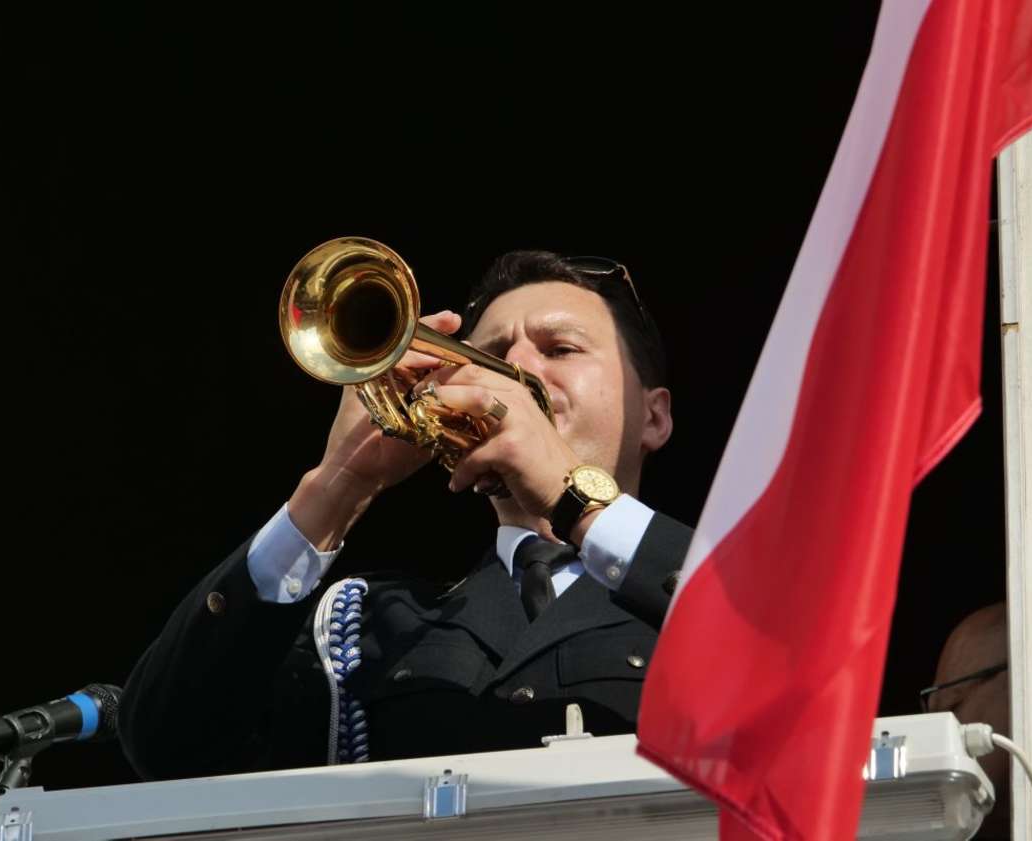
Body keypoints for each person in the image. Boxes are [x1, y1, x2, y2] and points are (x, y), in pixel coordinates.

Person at [118, 250, 692, 780]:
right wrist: (337, 483)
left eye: (560, 349)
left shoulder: (714, 586)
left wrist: (575, 500)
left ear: (654, 417)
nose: (515, 367)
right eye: (493, 355)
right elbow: (171, 749)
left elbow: (750, 630)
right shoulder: (363, 624)